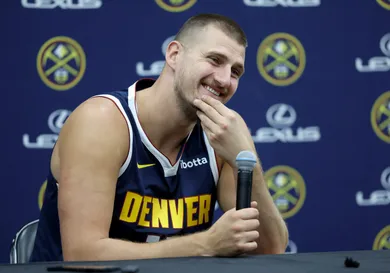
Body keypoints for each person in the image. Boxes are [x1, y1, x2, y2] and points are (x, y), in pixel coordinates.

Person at [30, 13, 288, 262]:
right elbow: (83, 255)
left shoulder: (223, 132)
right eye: (214, 60)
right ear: (174, 55)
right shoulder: (102, 122)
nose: (224, 79)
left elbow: (270, 248)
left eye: (235, 72)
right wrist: (206, 245)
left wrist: (248, 163)